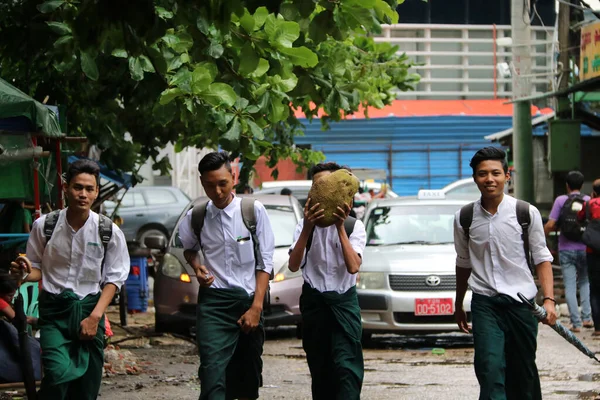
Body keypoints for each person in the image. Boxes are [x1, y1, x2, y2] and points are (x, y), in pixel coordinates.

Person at [16, 159, 130, 400]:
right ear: (65, 187)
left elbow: (114, 279)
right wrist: (23, 272)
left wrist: (95, 317)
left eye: (90, 189)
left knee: (88, 385)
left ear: (97, 191)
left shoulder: (108, 231)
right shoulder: (44, 225)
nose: (83, 194)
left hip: (91, 310)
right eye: (78, 187)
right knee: (57, 373)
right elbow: (36, 268)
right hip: (55, 313)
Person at [454, 147, 556, 400]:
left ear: (507, 176)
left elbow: (542, 258)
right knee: (489, 368)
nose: (490, 179)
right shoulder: (464, 217)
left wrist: (549, 300)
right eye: (482, 174)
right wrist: (458, 304)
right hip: (485, 303)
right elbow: (463, 263)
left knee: (523, 372)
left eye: (496, 173)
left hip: (522, 305)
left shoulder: (525, 213)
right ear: (475, 178)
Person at [178, 151, 275, 400]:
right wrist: (197, 266)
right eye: (210, 185)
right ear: (202, 183)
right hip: (214, 304)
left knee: (247, 374)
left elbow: (265, 263)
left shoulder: (253, 212)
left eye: (223, 183)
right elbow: (189, 249)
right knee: (211, 371)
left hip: (248, 301)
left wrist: (256, 307)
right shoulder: (196, 217)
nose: (218, 191)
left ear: (234, 177)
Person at [288, 162, 366, 400]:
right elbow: (293, 265)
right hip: (315, 305)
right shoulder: (304, 227)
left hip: (343, 304)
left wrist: (340, 227)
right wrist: (307, 228)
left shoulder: (355, 226)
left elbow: (353, 266)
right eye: (316, 187)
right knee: (320, 371)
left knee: (346, 370)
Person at [544, 171, 592, 332]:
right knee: (585, 282)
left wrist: (542, 237)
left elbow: (551, 224)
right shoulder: (588, 200)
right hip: (585, 248)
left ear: (567, 185)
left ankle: (576, 323)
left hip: (566, 249)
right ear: (582, 184)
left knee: (570, 285)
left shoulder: (561, 200)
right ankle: (587, 318)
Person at [0, 264, 42, 384]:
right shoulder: (1, 303)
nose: (11, 299)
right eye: (10, 296)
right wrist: (34, 321)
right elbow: (18, 321)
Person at [578, 179, 600, 336]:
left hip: (592, 250)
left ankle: (598, 328)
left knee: (595, 289)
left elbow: (580, 218)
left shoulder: (589, 204)